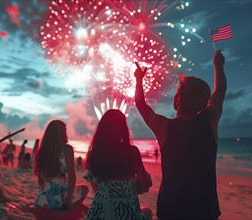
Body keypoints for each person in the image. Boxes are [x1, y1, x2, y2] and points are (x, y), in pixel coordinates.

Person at [134, 50, 226, 219]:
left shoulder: (165, 126)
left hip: (173, 209)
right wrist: (218, 66)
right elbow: (219, 92)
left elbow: (140, 104)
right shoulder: (209, 120)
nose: (178, 95)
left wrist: (139, 80)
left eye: (181, 92)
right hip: (203, 209)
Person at [85, 109, 153, 220]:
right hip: (127, 214)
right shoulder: (132, 152)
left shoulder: (96, 154)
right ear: (122, 129)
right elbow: (144, 183)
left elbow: (96, 188)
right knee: (147, 212)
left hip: (99, 214)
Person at [34, 120, 88, 210]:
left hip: (42, 201)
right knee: (84, 188)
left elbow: (40, 181)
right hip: (59, 200)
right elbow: (72, 177)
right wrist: (69, 201)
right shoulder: (67, 150)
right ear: (62, 133)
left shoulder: (41, 152)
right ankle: (72, 208)